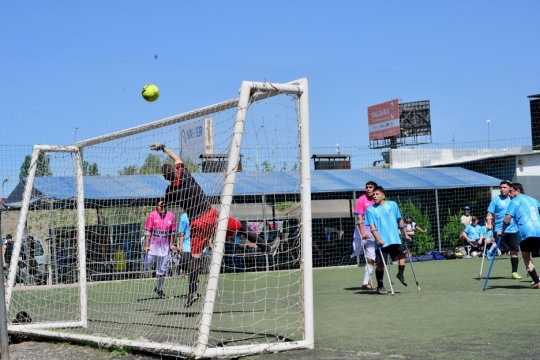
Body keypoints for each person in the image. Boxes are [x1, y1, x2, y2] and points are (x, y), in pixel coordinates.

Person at [151, 143, 279, 307]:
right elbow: (177, 158)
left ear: (165, 179)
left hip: (197, 223)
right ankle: (267, 248)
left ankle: (192, 293)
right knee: (241, 227)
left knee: (195, 258)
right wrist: (164, 148)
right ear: (176, 171)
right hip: (211, 216)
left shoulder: (169, 192)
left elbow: (166, 204)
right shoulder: (184, 174)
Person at [364, 186, 411, 294]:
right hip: (381, 242)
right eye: (373, 194)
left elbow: (399, 220)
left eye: (377, 194)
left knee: (402, 256)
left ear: (383, 195)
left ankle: (400, 274)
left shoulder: (393, 205)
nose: (374, 196)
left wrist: (405, 233)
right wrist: (378, 238)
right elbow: (372, 227)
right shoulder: (370, 210)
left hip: (394, 238)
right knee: (380, 264)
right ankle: (380, 286)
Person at [503, 183, 540, 289]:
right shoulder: (533, 200)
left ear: (518, 191)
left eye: (511, 191)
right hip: (539, 230)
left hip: (526, 233)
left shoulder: (515, 201)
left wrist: (502, 229)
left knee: (526, 256)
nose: (509, 194)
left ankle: (536, 280)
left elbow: (508, 218)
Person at [486, 180, 522, 279]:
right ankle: (489, 252)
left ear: (510, 188)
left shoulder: (514, 199)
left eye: (504, 187)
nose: (502, 189)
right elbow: (489, 214)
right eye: (500, 187)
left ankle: (514, 272)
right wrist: (489, 224)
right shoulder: (496, 200)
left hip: (513, 230)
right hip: (499, 230)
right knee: (504, 250)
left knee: (514, 251)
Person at [143, 198, 176, 299]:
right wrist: (146, 245)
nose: (163, 208)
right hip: (153, 245)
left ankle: (159, 288)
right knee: (147, 263)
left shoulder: (171, 216)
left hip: (164, 246)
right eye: (161, 206)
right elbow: (148, 231)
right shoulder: (152, 215)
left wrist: (171, 244)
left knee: (162, 270)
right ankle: (146, 268)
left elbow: (172, 232)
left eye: (164, 205)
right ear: (157, 207)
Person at [351, 180, 378, 290]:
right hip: (361, 234)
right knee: (355, 252)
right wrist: (362, 232)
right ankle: (352, 250)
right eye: (367, 187)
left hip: (373, 234)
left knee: (371, 259)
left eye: (370, 187)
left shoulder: (378, 201)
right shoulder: (362, 199)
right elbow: (359, 217)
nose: (368, 189)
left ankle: (365, 283)